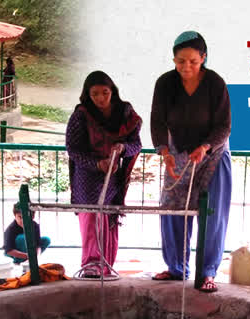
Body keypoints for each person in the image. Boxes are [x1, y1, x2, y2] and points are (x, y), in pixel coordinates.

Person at [150, 31, 232, 292]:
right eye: (180, 61)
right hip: (178, 151)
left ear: (203, 58)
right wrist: (164, 152)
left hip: (213, 152)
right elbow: (158, 121)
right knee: (172, 207)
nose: (186, 67)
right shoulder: (165, 83)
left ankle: (207, 272)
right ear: (173, 59)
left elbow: (224, 125)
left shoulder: (215, 84)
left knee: (211, 212)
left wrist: (206, 147)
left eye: (193, 61)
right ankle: (177, 268)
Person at [65, 71, 142, 277]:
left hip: (113, 177)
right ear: (87, 95)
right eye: (95, 94)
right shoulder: (81, 115)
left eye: (105, 93)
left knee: (108, 220)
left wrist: (123, 149)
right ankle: (91, 268)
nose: (100, 98)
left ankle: (106, 267)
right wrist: (98, 164)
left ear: (113, 92)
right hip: (88, 178)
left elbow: (136, 144)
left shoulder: (125, 113)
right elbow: (73, 150)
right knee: (91, 219)